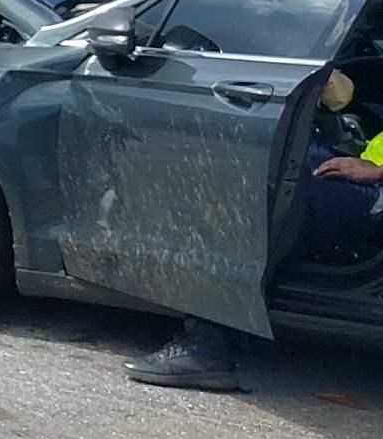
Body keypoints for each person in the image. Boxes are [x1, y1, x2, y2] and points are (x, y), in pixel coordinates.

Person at [126, 71, 383, 392]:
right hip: (361, 173)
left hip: (374, 195)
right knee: (275, 164)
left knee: (254, 196)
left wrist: (376, 172)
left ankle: (208, 345)